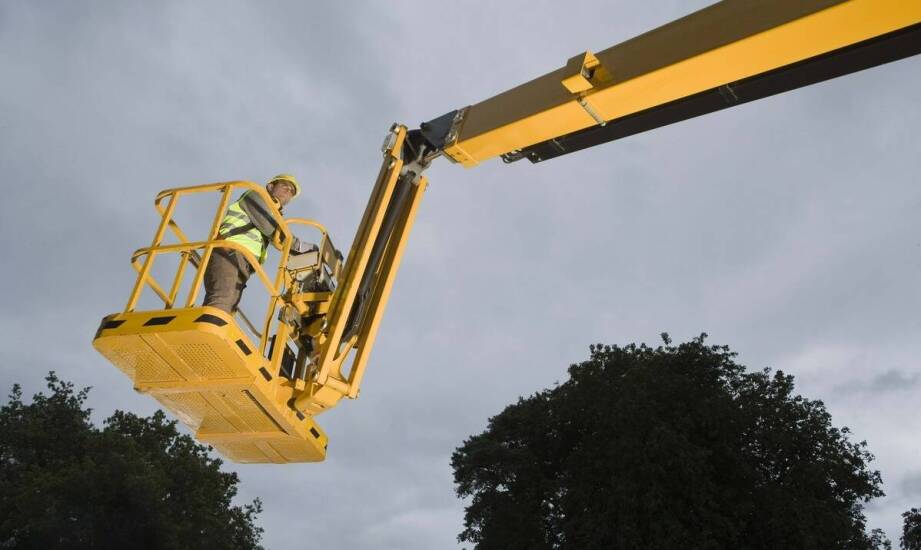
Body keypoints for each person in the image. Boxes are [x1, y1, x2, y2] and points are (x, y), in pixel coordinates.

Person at [203, 173, 309, 313]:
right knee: (222, 302)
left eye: (292, 191)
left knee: (227, 309)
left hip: (243, 263)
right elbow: (271, 227)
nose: (288, 191)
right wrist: (301, 247)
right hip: (229, 252)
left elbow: (277, 235)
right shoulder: (255, 195)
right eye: (284, 185)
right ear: (271, 186)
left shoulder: (275, 215)